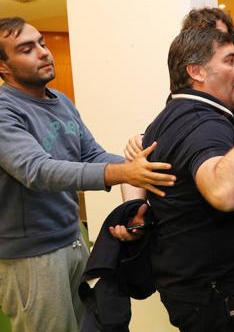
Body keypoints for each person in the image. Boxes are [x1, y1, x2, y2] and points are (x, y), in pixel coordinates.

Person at [0, 17, 176, 332]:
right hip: (31, 256)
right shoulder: (5, 112)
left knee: (90, 325)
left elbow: (91, 155)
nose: (43, 53)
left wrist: (142, 165)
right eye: (27, 49)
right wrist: (125, 171)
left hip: (72, 238)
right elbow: (37, 170)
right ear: (4, 67)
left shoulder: (61, 102)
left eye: (41, 42)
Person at [133, 25, 234, 332]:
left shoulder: (171, 115)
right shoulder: (204, 123)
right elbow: (223, 191)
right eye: (230, 60)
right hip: (215, 294)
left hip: (197, 287)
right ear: (196, 72)